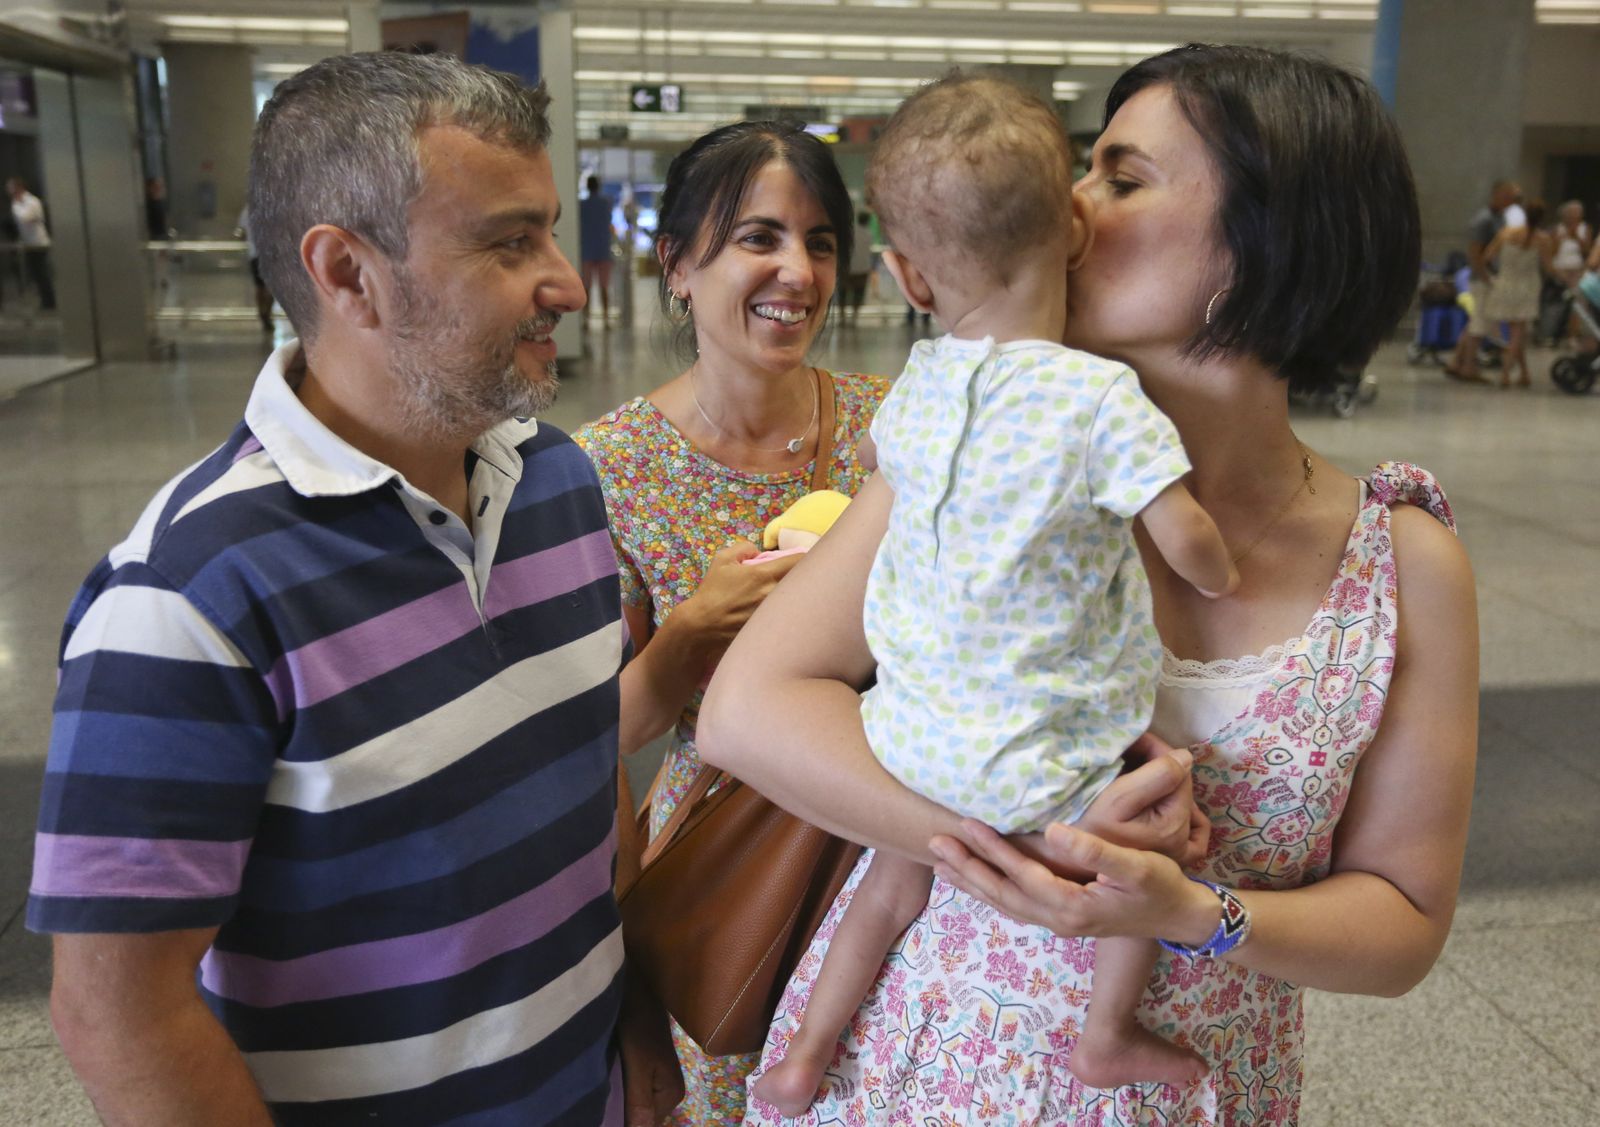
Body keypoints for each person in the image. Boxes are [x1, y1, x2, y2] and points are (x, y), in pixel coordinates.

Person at [701, 43, 1476, 1125]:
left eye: (1118, 178)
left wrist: (1190, 907)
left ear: (1269, 234)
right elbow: (749, 710)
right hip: (929, 1066)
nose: (1066, 205)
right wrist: (1025, 844)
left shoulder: (1399, 563)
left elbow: (1400, 921)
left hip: (1194, 1088)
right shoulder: (974, 458)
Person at [28, 51, 679, 1127]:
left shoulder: (558, 481)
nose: (564, 279)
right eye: (510, 242)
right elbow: (119, 1012)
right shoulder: (187, 601)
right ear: (345, 273)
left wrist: (633, 1019)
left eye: (551, 231)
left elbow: (584, 763)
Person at [749, 73, 1238, 1118]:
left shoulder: (922, 380)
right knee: (1135, 857)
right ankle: (1106, 1035)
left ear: (907, 275)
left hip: (911, 735)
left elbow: (881, 453)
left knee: (884, 886)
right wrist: (1214, 571)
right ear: (1070, 224)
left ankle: (800, 1056)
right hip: (1040, 754)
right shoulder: (1099, 394)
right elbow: (1184, 534)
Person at [573, 120, 890, 1126]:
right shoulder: (606, 467)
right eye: (758, 237)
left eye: (821, 241)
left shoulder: (898, 428)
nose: (796, 270)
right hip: (732, 850)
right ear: (675, 264)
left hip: (896, 841)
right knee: (739, 1093)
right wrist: (689, 636)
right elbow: (603, 728)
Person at [1447, 178, 1519, 382]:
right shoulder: (1484, 219)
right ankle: (1469, 367)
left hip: (1489, 275)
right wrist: (1486, 277)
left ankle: (1456, 361)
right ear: (1497, 195)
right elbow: (1475, 253)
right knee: (1480, 324)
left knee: (1475, 322)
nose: (1511, 201)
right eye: (1508, 196)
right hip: (1482, 279)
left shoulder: (1500, 218)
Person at [1483, 198, 1554, 388]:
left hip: (1505, 283)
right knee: (1518, 332)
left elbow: (1488, 256)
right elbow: (1549, 266)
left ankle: (1524, 373)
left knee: (1516, 332)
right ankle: (1506, 373)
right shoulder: (1542, 239)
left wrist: (1492, 276)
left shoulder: (1505, 233)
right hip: (1527, 286)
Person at [8, 176, 55, 311]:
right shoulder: (17, 203)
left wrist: (17, 206)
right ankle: (45, 299)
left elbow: (26, 218)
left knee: (42, 273)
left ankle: (49, 301)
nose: (9, 191)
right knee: (36, 273)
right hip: (28, 242)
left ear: (19, 188)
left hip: (39, 242)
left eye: (11, 188)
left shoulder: (32, 201)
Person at [580, 174, 616, 325]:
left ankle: (586, 320)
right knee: (604, 287)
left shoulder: (582, 205)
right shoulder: (605, 203)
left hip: (587, 250)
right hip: (602, 249)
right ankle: (606, 319)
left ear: (587, 186)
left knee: (586, 288)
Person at [237, 204, 274, 331]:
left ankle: (262, 313)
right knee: (269, 288)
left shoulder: (247, 211)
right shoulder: (269, 208)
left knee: (259, 287)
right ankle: (267, 314)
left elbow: (241, 233)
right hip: (270, 255)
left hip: (254, 255)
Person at [839, 209, 874, 323]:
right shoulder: (869, 234)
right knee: (858, 294)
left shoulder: (850, 232)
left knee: (843, 294)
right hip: (862, 269)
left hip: (847, 268)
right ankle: (854, 317)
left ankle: (842, 317)